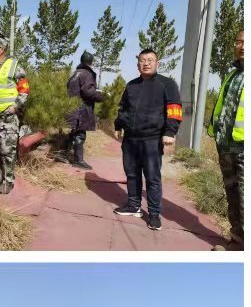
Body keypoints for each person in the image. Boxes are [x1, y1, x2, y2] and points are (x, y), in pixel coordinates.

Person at [113, 48, 182, 231]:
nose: (146, 63)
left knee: (152, 178)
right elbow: (123, 108)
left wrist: (170, 131)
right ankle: (134, 205)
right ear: (138, 65)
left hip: (152, 139)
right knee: (132, 173)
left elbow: (174, 108)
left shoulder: (167, 84)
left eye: (150, 60)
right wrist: (118, 125)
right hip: (130, 139)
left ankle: (154, 214)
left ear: (157, 63)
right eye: (142, 60)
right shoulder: (131, 85)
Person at [209, 30, 244, 250]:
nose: (241, 46)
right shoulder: (232, 74)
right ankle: (237, 241)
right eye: (239, 41)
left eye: (246, 42)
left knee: (246, 196)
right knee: (232, 192)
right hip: (226, 144)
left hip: (244, 146)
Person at [0, 36, 29, 194]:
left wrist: (15, 107)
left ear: (1, 49)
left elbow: (24, 89)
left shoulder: (14, 66)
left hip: (8, 117)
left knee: (7, 151)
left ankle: (8, 181)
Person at [66, 51, 103, 170]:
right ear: (90, 62)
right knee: (80, 135)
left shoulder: (75, 73)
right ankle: (78, 160)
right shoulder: (87, 74)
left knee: (74, 132)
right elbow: (88, 92)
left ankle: (62, 154)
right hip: (82, 109)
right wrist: (101, 96)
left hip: (72, 107)